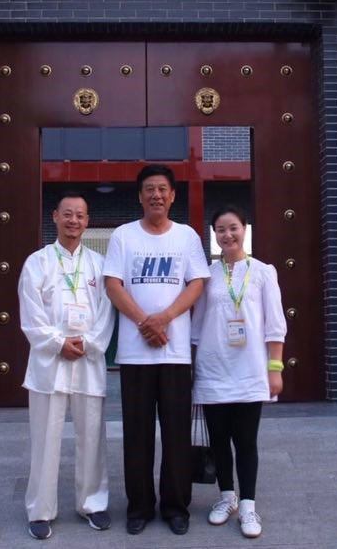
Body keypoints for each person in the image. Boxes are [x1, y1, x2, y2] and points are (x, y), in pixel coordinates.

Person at [103, 164, 210, 536]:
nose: (156, 195)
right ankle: (139, 507)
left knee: (177, 433)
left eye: (162, 189)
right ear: (140, 196)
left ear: (173, 195)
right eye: (149, 189)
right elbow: (113, 284)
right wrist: (143, 322)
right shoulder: (123, 236)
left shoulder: (186, 236)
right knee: (137, 433)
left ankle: (176, 507)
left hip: (175, 353)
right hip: (135, 354)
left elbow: (196, 284)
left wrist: (163, 318)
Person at [18, 191, 115, 540]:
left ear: (88, 222)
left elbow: (107, 312)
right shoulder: (38, 262)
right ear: (55, 217)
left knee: (92, 436)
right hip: (49, 363)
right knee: (45, 439)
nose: (74, 220)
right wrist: (58, 343)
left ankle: (93, 503)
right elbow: (31, 313)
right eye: (68, 214)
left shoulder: (99, 265)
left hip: (88, 360)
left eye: (80, 215)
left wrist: (88, 344)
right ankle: (40, 510)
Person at [191, 205, 287, 539]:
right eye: (220, 229)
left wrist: (275, 368)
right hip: (213, 369)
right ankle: (226, 497)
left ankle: (248, 505)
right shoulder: (207, 276)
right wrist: (193, 368)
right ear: (214, 235)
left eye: (233, 227)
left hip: (249, 370)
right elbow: (196, 326)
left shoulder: (263, 272)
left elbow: (275, 325)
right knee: (218, 440)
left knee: (245, 441)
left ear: (244, 229)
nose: (227, 235)